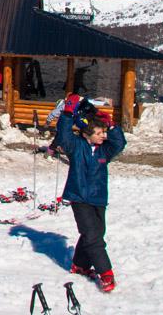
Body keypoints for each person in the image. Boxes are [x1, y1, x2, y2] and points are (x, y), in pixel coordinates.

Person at [56, 101, 126, 293]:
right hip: (79, 197)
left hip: (98, 198)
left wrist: (111, 125)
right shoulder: (76, 147)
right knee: (93, 237)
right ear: (87, 134)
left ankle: (80, 265)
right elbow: (63, 135)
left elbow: (120, 143)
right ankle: (106, 274)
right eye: (99, 133)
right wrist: (67, 114)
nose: (103, 136)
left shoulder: (105, 149)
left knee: (95, 233)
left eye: (104, 132)